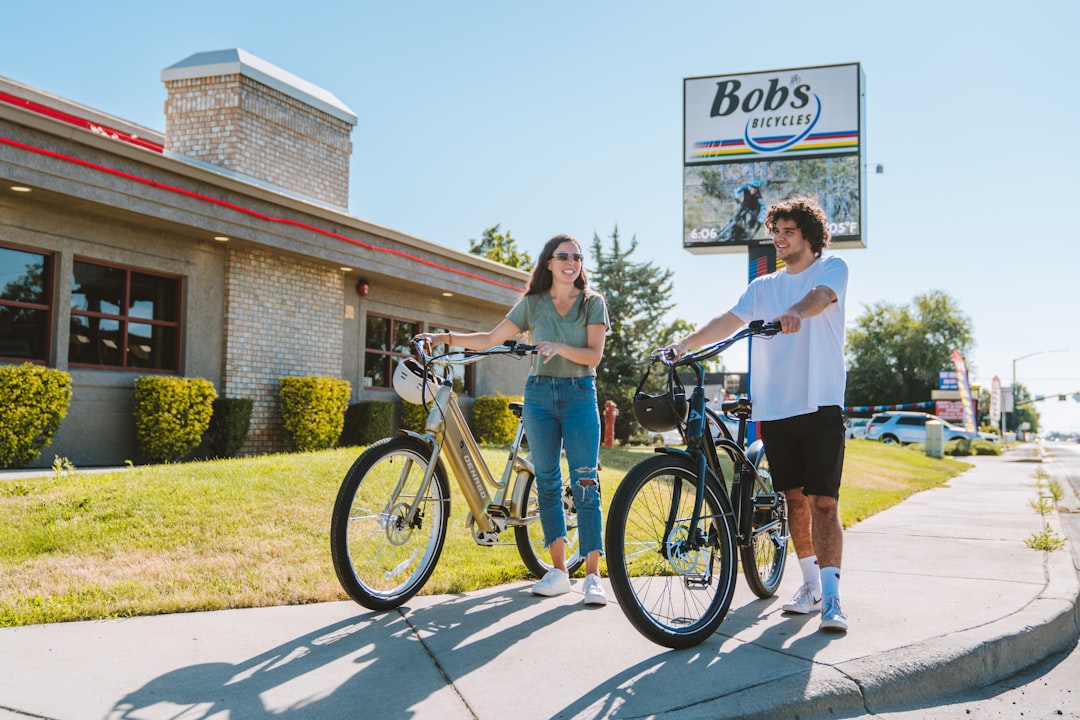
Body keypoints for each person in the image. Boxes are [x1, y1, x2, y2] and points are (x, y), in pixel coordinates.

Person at [663, 196, 850, 632]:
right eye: (775, 232)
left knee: (825, 501)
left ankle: (834, 597)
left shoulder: (831, 267)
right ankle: (810, 586)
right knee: (794, 499)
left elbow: (822, 298)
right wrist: (683, 345)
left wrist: (793, 313)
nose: (778, 239)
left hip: (821, 401)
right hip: (777, 405)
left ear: (809, 234)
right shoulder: (762, 287)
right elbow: (728, 320)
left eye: (787, 231)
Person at [415, 234, 610, 606]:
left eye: (577, 257)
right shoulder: (532, 304)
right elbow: (490, 337)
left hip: (579, 394)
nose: (571, 262)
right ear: (549, 263)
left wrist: (558, 347)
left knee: (586, 481)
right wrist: (444, 337)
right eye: (563, 256)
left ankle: (593, 576)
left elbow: (594, 356)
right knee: (548, 481)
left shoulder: (593, 303)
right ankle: (558, 572)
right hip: (539, 394)